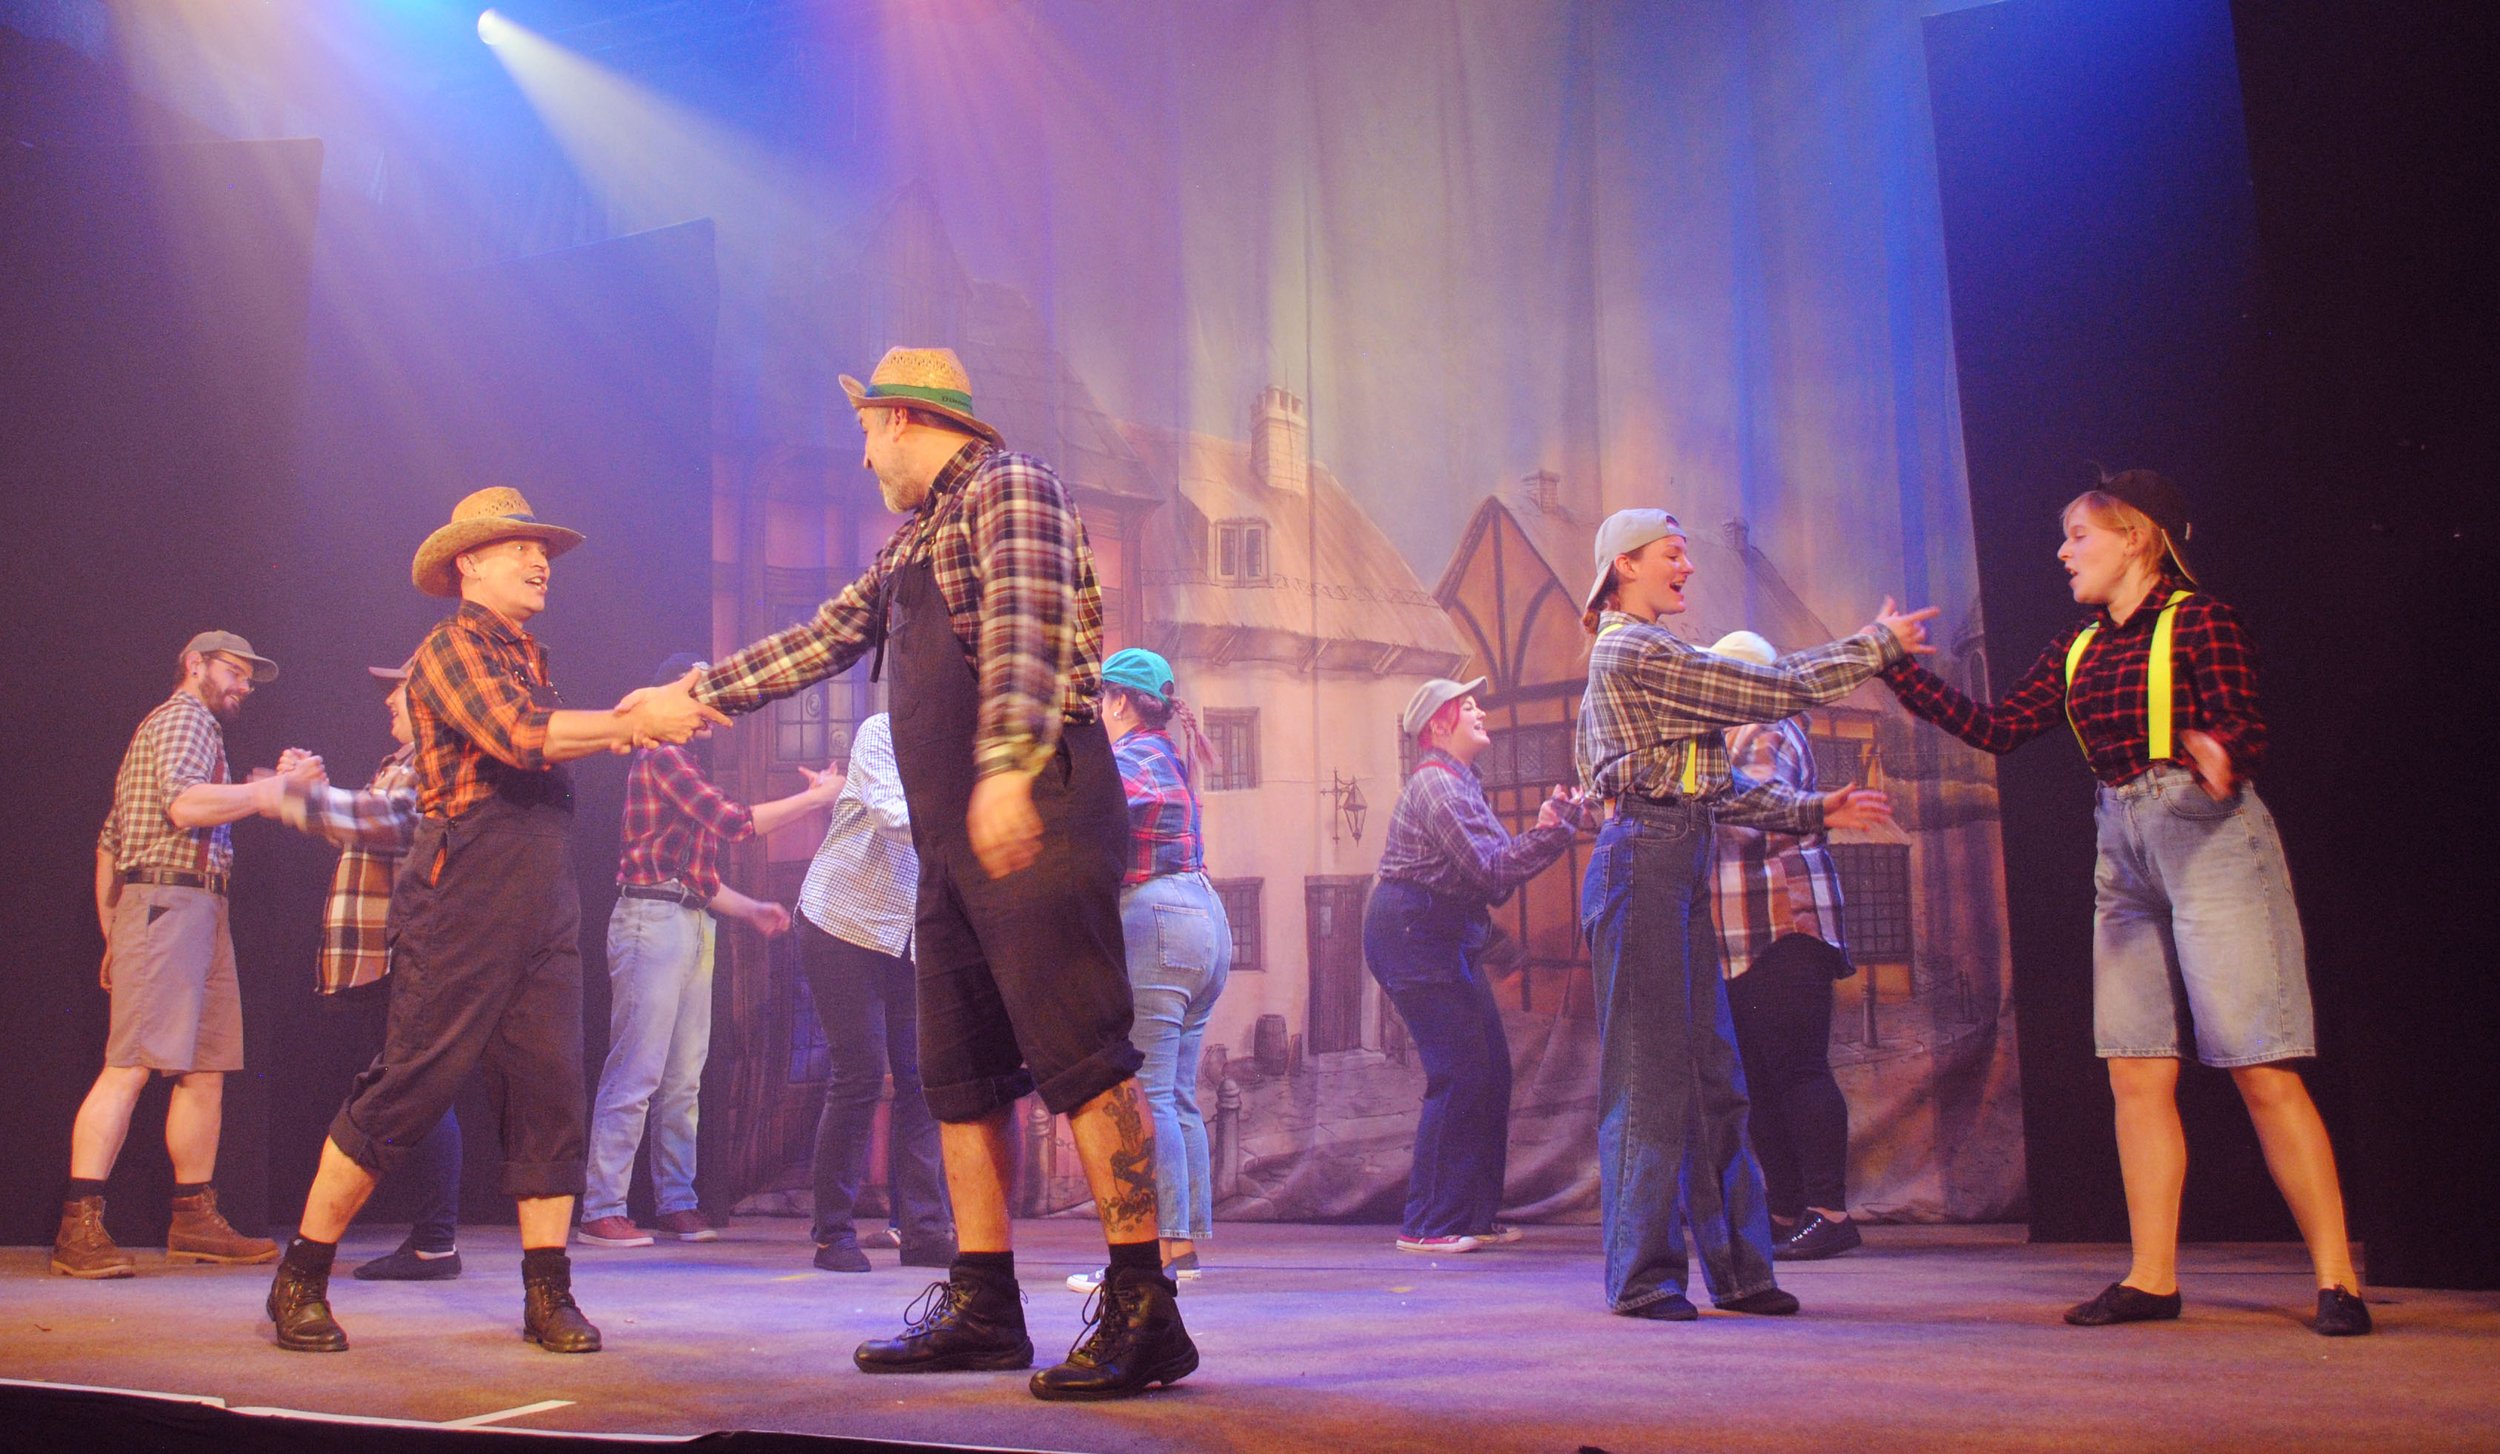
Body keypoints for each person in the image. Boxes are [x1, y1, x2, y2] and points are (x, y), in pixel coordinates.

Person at [625, 347, 1196, 1400]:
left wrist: (1010, 767)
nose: (861, 458)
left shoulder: (1008, 485)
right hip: (951, 833)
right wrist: (696, 694)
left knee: (1085, 1053)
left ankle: (1143, 1304)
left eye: (863, 434)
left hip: (1038, 803)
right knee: (962, 1074)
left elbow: (1027, 629)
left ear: (898, 420)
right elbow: (822, 637)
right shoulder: (914, 540)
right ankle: (984, 1303)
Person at [1877, 470, 2368, 1337]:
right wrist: (1895, 668)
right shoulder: (2079, 648)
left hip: (2209, 838)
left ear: (2136, 537)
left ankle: (2338, 1279)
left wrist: (2222, 753)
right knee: (2136, 1067)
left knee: (2259, 1062)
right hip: (2122, 847)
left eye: (2079, 535)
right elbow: (1996, 728)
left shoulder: (2199, 620)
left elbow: (2243, 721)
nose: (2063, 552)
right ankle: (2151, 1278)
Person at [260, 487, 724, 1355]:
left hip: (543, 899)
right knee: (408, 1086)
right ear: (469, 563)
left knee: (551, 1094)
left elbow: (550, 727)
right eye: (519, 547)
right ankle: (301, 1276)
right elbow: (521, 736)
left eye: (542, 548)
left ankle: (548, 1296)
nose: (539, 559)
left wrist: (633, 718)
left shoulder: (526, 658)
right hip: (464, 895)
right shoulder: (447, 649)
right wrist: (633, 719)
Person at [1576, 507, 1929, 1321]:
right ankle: (1643, 1278)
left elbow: (1719, 786)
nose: (1687, 568)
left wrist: (1814, 809)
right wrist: (1874, 645)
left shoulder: (1651, 659)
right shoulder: (1633, 646)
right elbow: (1765, 687)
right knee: (1652, 1080)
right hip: (1643, 862)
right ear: (1624, 565)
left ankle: (1739, 1270)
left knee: (1714, 1078)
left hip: (1677, 857)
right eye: (1672, 554)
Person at [53, 631, 310, 1278]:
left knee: (206, 1067)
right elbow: (184, 805)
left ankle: (194, 1217)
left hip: (195, 908)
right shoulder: (184, 718)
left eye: (250, 678)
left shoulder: (196, 732)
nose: (244, 687)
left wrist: (114, 930)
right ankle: (78, 1224)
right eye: (234, 672)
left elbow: (110, 840)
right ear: (195, 665)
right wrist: (267, 792)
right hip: (169, 902)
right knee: (132, 1064)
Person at [578, 652, 830, 1250]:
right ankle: (602, 1207)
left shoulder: (682, 763)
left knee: (684, 1077)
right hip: (651, 920)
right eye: (700, 705)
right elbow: (734, 821)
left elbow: (700, 879)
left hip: (688, 922)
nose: (708, 720)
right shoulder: (661, 758)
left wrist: (752, 911)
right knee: (636, 1070)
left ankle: (677, 1201)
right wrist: (819, 799)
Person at [263, 658, 468, 1281]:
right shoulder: (399, 765)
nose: (388, 704)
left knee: (416, 1092)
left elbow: (394, 823)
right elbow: (364, 832)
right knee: (411, 1092)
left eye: (398, 693)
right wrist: (309, 792)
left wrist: (305, 798)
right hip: (382, 953)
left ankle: (435, 1241)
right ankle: (432, 1239)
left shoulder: (431, 761)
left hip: (402, 951)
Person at [1364, 676, 1583, 1256]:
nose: (1480, 712)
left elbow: (1477, 880)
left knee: (1489, 1070)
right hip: (1412, 933)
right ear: (1438, 724)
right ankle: (1430, 1222)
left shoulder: (1460, 785)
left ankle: (1471, 1213)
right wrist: (1554, 831)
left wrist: (1547, 829)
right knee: (1459, 1071)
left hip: (1434, 931)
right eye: (1468, 706)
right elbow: (1492, 874)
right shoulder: (1438, 788)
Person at [1066, 649, 1233, 1291]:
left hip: (1160, 919)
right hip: (1202, 918)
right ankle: (1180, 1249)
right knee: (1178, 1095)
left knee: (1151, 1094)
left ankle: (1153, 1260)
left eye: (1095, 702)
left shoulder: (1133, 758)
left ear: (1115, 701)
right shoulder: (1165, 755)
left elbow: (1097, 812)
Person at [1705, 631, 1860, 1262]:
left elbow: (1756, 810)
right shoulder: (1730, 734)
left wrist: (1681, 800)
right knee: (1763, 1079)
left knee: (1796, 1068)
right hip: (1743, 932)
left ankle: (1829, 1211)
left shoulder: (1766, 725)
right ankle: (1788, 1210)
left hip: (1783, 924)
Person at [799, 710, 956, 1274]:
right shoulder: (884, 731)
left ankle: (923, 1230)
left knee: (922, 1078)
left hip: (910, 932)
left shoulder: (971, 751)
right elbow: (894, 816)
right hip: (842, 920)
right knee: (861, 1073)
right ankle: (833, 1233)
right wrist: (977, 822)